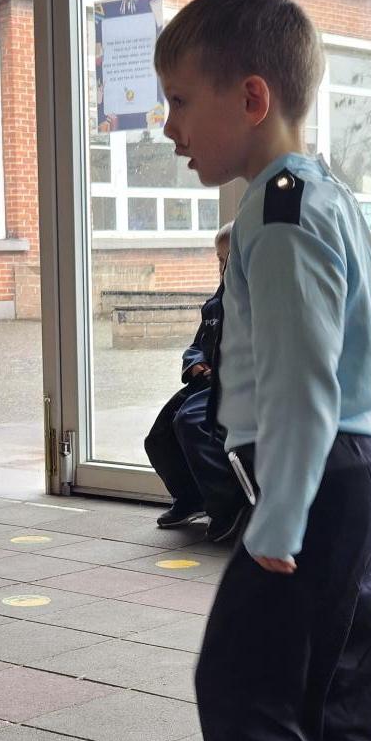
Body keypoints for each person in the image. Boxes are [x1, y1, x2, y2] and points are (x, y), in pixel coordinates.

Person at [154, 0, 371, 741]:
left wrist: (279, 522)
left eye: (181, 101)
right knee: (326, 700)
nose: (170, 127)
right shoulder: (321, 193)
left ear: (251, 96)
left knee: (242, 685)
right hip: (356, 474)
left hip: (315, 480)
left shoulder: (281, 211)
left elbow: (301, 386)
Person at [144, 222, 248, 543]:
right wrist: (195, 363)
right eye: (219, 259)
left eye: (229, 259)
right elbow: (197, 345)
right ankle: (190, 497)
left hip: (232, 384)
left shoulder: (252, 303)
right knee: (159, 435)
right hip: (203, 381)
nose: (223, 267)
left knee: (191, 422)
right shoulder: (215, 304)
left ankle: (228, 505)